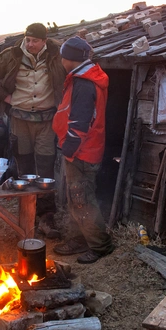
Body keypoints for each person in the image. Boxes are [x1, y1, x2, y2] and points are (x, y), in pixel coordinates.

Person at [0, 23, 66, 239]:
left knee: (46, 167)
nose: (30, 44)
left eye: (35, 40)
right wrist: (4, 96)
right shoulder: (12, 55)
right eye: (28, 39)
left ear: (44, 41)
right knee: (23, 166)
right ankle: (27, 217)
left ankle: (46, 217)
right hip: (19, 118)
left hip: (47, 120)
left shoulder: (56, 55)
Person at [52, 37, 114, 264]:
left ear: (69, 59)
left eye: (62, 56)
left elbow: (80, 124)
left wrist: (68, 149)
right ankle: (80, 239)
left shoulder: (84, 84)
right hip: (84, 150)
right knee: (76, 197)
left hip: (81, 152)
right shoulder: (84, 78)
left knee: (82, 199)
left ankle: (100, 246)